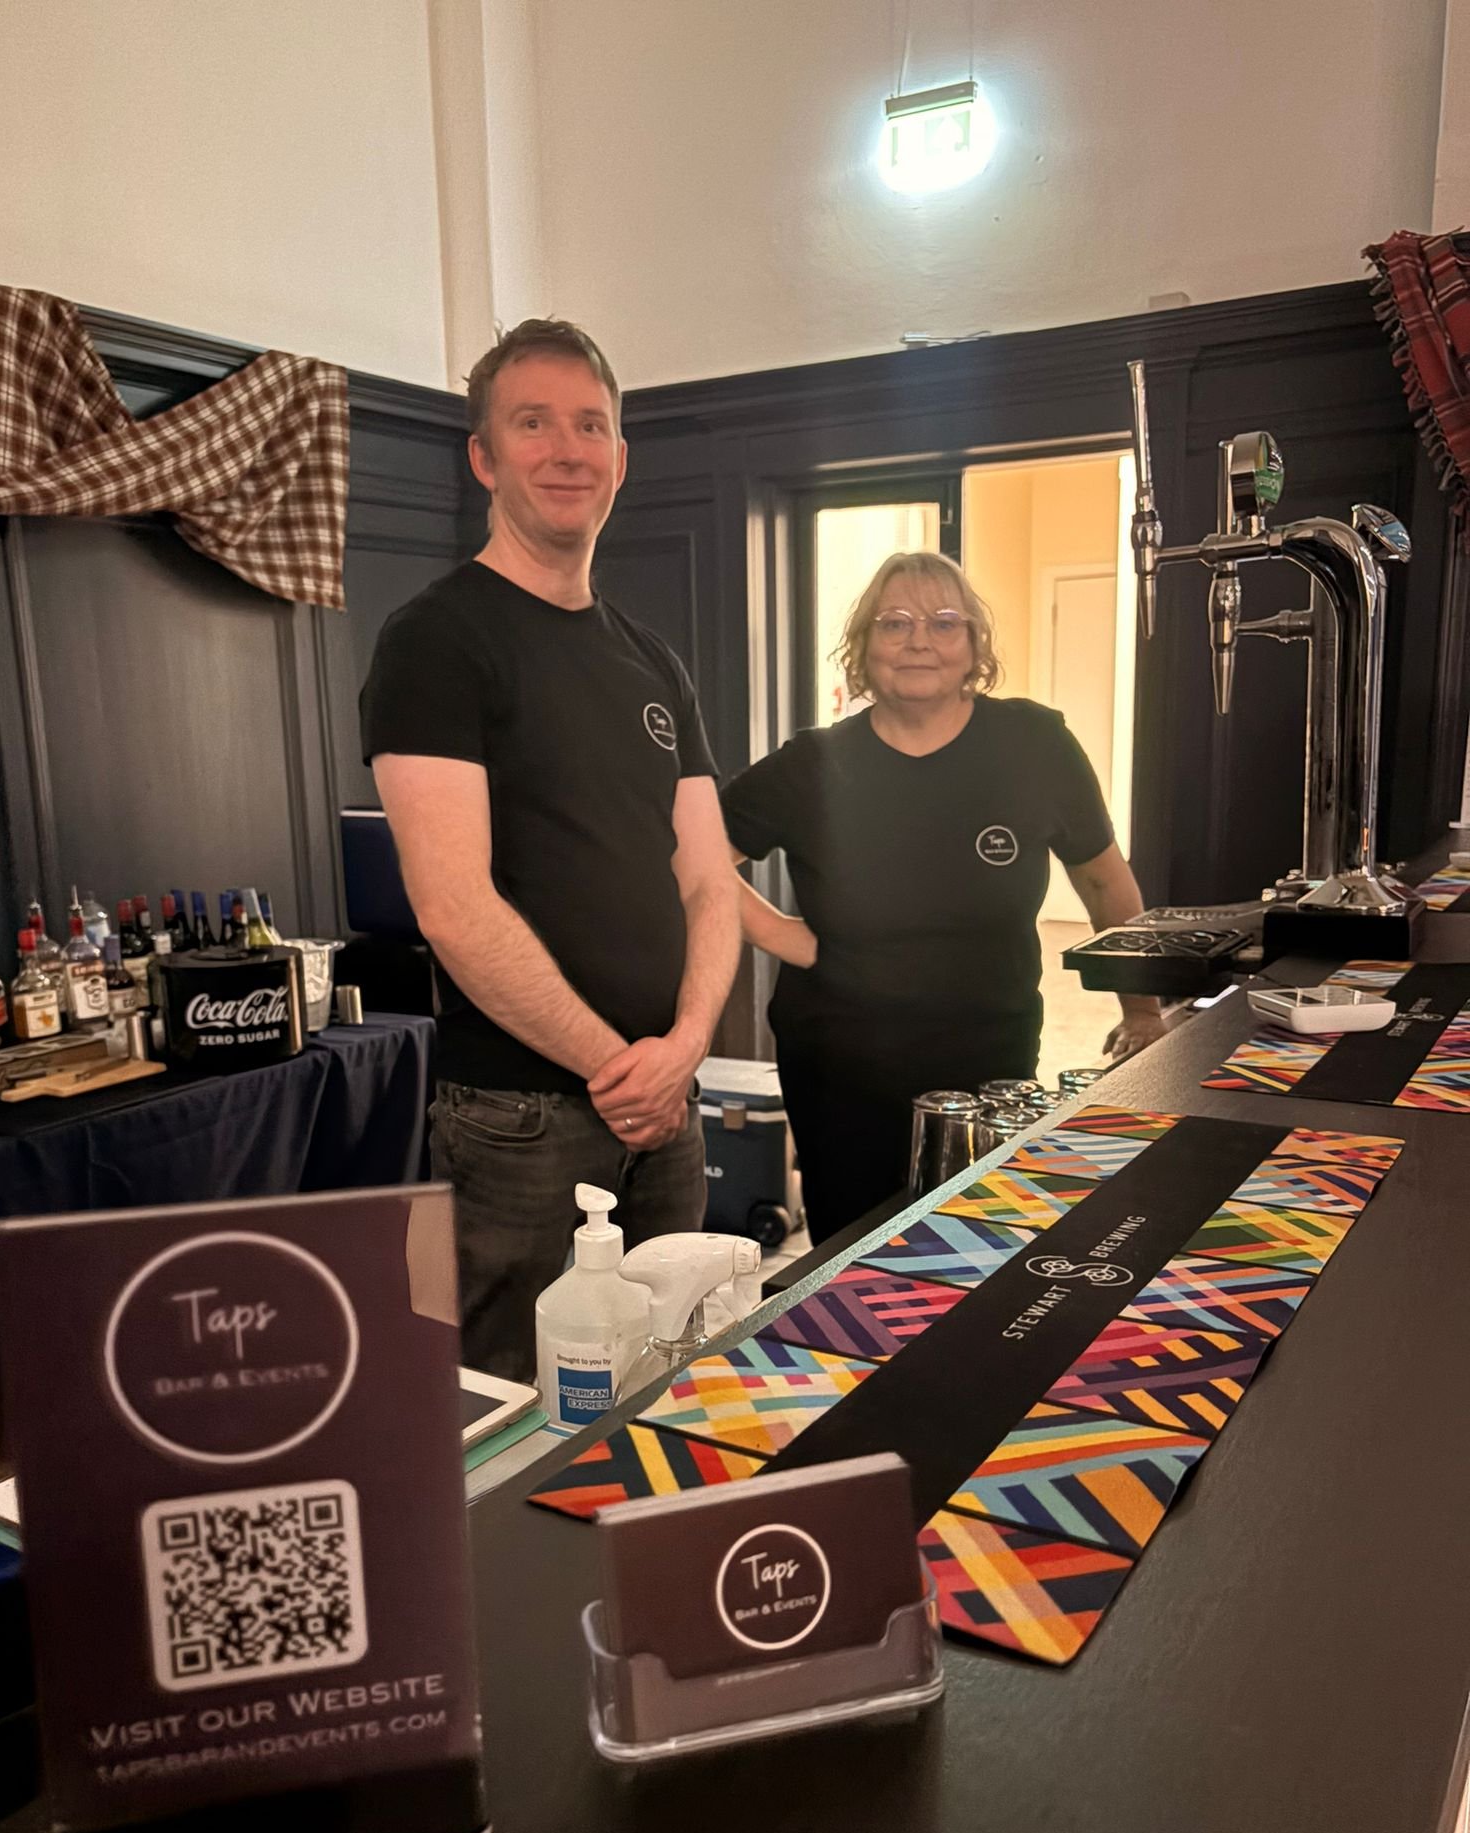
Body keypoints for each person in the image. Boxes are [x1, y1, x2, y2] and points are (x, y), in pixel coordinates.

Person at [360, 319, 740, 1380]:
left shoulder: (653, 660)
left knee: (669, 1378)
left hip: (667, 1102)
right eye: (534, 423)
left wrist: (684, 1049)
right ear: (484, 456)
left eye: (592, 425)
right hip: (520, 1122)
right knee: (514, 1412)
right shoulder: (436, 639)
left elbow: (711, 880)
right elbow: (453, 906)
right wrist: (619, 1068)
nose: (568, 449)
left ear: (620, 457)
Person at [720, 549, 1163, 1243]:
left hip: (989, 1056)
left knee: (978, 1241)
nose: (918, 639)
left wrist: (1141, 1009)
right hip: (840, 1068)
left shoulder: (1034, 744)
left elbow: (1105, 879)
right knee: (852, 1254)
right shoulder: (813, 763)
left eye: (943, 622)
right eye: (893, 623)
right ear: (864, 647)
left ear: (974, 647)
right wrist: (781, 933)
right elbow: (692, 853)